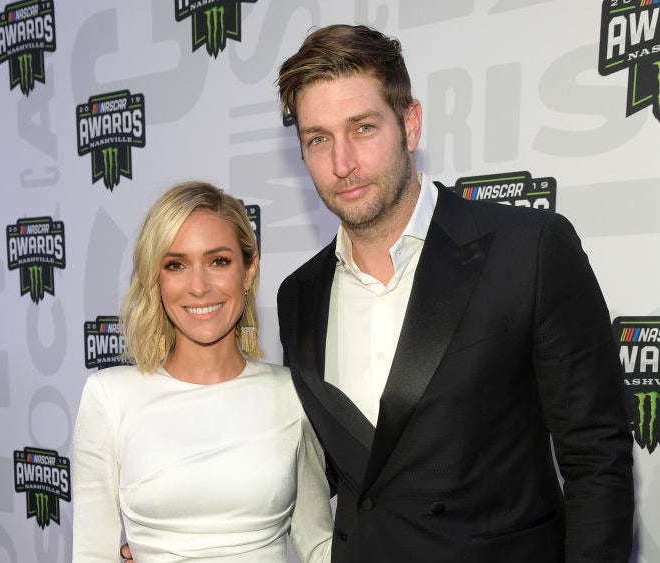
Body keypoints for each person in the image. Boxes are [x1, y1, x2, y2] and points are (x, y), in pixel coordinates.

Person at [275, 24, 635, 563]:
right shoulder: (298, 294)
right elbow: (321, 465)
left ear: (410, 123)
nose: (342, 163)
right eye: (318, 138)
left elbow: (596, 458)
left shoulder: (528, 251)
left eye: (363, 127)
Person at [72, 181, 333, 562]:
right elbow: (92, 554)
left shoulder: (292, 392)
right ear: (154, 280)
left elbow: (319, 547)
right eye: (175, 265)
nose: (198, 286)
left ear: (249, 270)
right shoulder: (109, 396)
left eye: (219, 261)